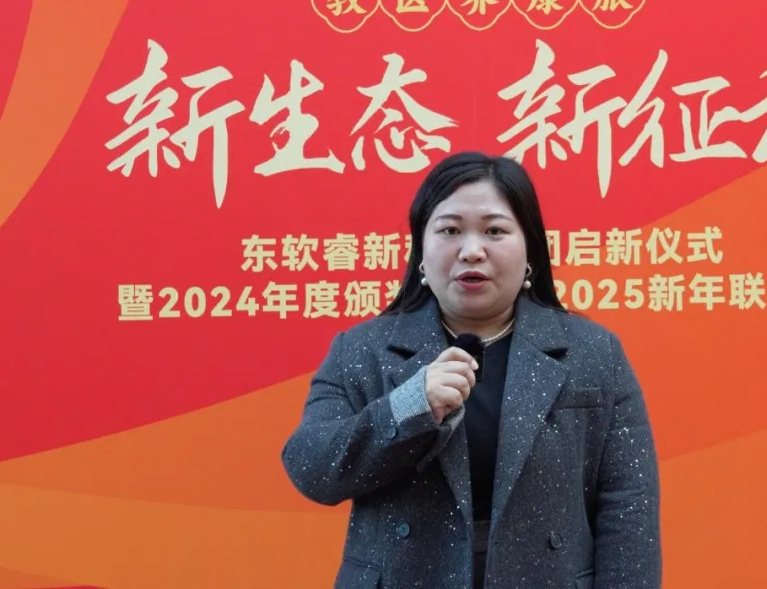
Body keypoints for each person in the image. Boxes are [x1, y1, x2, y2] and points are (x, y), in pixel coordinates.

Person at [281, 151, 661, 589]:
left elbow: (628, 506)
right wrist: (408, 407)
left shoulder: (593, 352)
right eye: (450, 230)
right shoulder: (363, 349)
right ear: (421, 252)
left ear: (530, 250)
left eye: (495, 231)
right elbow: (311, 468)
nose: (472, 251)